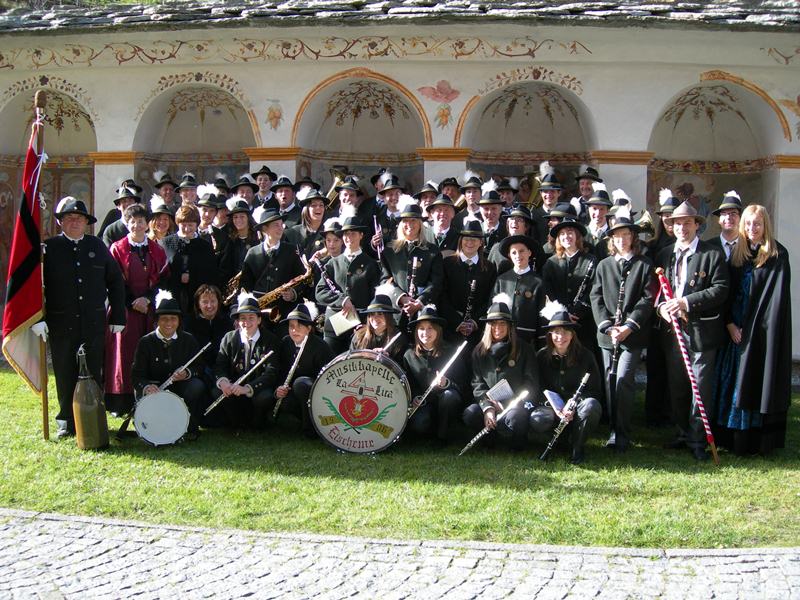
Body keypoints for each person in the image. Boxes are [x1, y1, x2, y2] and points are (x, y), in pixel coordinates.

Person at [31, 197, 126, 438]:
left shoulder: (97, 246)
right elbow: (34, 286)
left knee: (93, 371)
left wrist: (118, 315)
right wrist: (36, 319)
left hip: (93, 324)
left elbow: (115, 282)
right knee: (64, 372)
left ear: (86, 222)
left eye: (79, 218)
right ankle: (66, 420)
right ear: (61, 222)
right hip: (61, 323)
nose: (75, 222)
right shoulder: (49, 249)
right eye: (69, 218)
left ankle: (92, 416)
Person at [714, 204, 791, 456]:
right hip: (735, 333)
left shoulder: (777, 255)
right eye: (747, 224)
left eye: (756, 224)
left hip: (760, 335)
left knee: (756, 383)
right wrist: (730, 324)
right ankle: (730, 439)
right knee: (731, 385)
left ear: (765, 225)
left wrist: (755, 330)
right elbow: (726, 293)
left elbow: (775, 301)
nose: (752, 229)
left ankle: (755, 442)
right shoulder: (737, 255)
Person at [655, 201, 729, 461]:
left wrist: (686, 302)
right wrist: (662, 309)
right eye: (677, 223)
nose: (682, 227)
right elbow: (659, 290)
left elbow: (720, 289)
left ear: (697, 225)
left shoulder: (712, 254)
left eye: (687, 222)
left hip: (702, 331)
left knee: (700, 386)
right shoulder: (665, 254)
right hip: (674, 332)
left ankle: (698, 438)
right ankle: (683, 432)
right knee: (677, 385)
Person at [590, 207, 656, 453]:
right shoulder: (604, 265)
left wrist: (629, 325)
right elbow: (595, 296)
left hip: (633, 334)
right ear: (611, 239)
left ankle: (623, 433)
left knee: (625, 379)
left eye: (626, 235)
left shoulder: (644, 264)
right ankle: (613, 430)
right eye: (616, 236)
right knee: (610, 380)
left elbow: (648, 299)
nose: (621, 239)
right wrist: (607, 326)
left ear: (633, 237)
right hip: (607, 335)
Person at [104, 204, 168, 417]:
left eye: (141, 221)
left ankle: (149, 398)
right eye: (133, 221)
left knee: (148, 353)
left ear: (146, 223)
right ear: (127, 223)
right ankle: (121, 402)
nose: (137, 225)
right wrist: (132, 301)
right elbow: (113, 281)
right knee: (124, 354)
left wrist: (148, 299)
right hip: (125, 310)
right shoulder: (117, 248)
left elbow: (163, 279)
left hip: (148, 311)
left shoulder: (157, 249)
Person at [463, 295, 539, 451]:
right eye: (493, 323)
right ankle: (489, 437)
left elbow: (530, 382)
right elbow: (477, 383)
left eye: (502, 323)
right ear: (488, 326)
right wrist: (488, 407)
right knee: (470, 414)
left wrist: (510, 402)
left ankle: (517, 442)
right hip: (490, 401)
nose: (498, 328)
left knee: (515, 418)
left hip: (516, 402)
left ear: (509, 326)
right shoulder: (479, 351)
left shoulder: (524, 349)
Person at [531, 300, 603, 465]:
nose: (560, 337)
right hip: (553, 410)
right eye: (556, 332)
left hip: (576, 410)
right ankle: (559, 441)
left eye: (565, 332)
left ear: (572, 335)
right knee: (538, 418)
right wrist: (553, 406)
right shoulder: (541, 356)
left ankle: (577, 446)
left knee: (591, 406)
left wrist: (575, 401)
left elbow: (594, 391)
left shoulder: (586, 356)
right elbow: (537, 387)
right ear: (550, 335)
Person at [131, 290, 206, 439]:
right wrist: (146, 387)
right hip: (154, 389)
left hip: (179, 387)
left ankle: (189, 424)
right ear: (157, 321)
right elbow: (136, 374)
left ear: (179, 321)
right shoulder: (145, 342)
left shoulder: (189, 340)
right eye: (164, 319)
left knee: (196, 386)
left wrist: (187, 373)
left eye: (173, 319)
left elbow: (200, 367)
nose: (169, 323)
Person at [315, 216, 382, 354]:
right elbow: (320, 292)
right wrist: (342, 300)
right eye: (346, 234)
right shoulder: (332, 263)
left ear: (361, 235)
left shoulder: (371, 264)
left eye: (353, 233)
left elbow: (373, 297)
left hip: (360, 325)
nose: (349, 237)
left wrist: (366, 323)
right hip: (334, 325)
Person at [214, 292, 280, 429]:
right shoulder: (229, 338)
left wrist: (247, 388)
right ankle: (234, 421)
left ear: (259, 320)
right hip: (234, 387)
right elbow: (220, 365)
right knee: (217, 391)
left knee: (264, 397)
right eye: (242, 318)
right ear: (237, 321)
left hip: (256, 389)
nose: (247, 322)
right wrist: (224, 381)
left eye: (251, 318)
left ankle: (259, 422)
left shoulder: (270, 340)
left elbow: (271, 372)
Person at [402, 305, 468, 443]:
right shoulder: (409, 355)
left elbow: (463, 384)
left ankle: (443, 436)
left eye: (430, 328)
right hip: (424, 404)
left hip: (446, 404)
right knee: (419, 425)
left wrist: (446, 384)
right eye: (421, 328)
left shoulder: (451, 351)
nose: (425, 333)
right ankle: (430, 432)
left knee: (449, 396)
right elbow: (408, 383)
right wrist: (414, 397)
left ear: (438, 330)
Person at [240, 208, 308, 332]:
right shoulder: (252, 253)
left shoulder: (292, 250)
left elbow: (303, 279)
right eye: (276, 225)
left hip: (285, 313)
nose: (280, 228)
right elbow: (245, 284)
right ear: (265, 229)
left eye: (281, 224)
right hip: (258, 313)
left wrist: (293, 293)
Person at [272, 302, 334, 436]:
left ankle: (310, 428)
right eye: (291, 327)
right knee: (285, 402)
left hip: (318, 393)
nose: (294, 330)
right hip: (295, 391)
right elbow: (280, 370)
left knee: (301, 383)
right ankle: (306, 421)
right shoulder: (286, 343)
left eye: (299, 326)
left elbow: (329, 378)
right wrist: (279, 388)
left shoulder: (320, 347)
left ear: (309, 328)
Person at [542, 216, 599, 358]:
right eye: (562, 234)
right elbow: (548, 290)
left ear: (577, 236)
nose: (566, 236)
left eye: (570, 232)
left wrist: (578, 313)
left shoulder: (591, 260)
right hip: (558, 322)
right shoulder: (551, 263)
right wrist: (562, 313)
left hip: (583, 322)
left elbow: (594, 290)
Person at [380, 198, 444, 323]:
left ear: (420, 223)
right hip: (397, 313)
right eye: (405, 221)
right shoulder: (389, 250)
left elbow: (437, 281)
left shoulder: (432, 251)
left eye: (413, 220)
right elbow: (384, 279)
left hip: (423, 312)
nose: (409, 224)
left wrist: (420, 301)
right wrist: (401, 298)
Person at [440, 217, 497, 344]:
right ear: (460, 241)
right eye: (466, 239)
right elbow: (441, 295)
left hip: (477, 331)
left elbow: (490, 298)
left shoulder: (489, 267)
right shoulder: (447, 264)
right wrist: (457, 320)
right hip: (450, 328)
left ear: (481, 242)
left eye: (474, 239)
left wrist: (475, 321)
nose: (469, 243)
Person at [161, 205, 219, 316]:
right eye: (183, 225)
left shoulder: (205, 246)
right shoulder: (165, 243)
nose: (187, 229)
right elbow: (161, 273)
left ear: (197, 224)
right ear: (178, 224)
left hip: (197, 301)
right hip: (172, 298)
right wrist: (178, 276)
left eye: (191, 225)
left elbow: (211, 275)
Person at [492, 234, 546, 347]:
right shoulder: (502, 280)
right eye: (514, 252)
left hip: (528, 340)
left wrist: (541, 342)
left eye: (522, 251)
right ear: (509, 255)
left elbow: (542, 315)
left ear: (529, 253)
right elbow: (492, 310)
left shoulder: (538, 282)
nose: (518, 255)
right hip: (503, 339)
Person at [183, 284, 232, 390]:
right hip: (198, 370)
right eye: (205, 302)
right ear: (198, 304)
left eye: (213, 301)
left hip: (222, 369)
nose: (209, 306)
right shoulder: (188, 323)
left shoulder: (227, 321)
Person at [350, 289, 408, 363]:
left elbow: (401, 369)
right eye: (372, 314)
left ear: (388, 317)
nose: (375, 318)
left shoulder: (399, 339)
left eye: (380, 314)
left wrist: (387, 359)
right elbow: (351, 362)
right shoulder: (359, 336)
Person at [218, 198, 259, 286]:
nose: (238, 220)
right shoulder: (230, 241)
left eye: (242, 216)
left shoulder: (257, 239)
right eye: (235, 217)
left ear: (248, 218)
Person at [285, 188, 328, 259]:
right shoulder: (292, 233)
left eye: (321, 205)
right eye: (314, 205)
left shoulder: (328, 233)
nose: (318, 208)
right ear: (306, 209)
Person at [708, 191, 742, 262]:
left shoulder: (748, 245)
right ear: (719, 220)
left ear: (740, 218)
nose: (728, 217)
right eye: (724, 214)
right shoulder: (708, 246)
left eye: (733, 213)